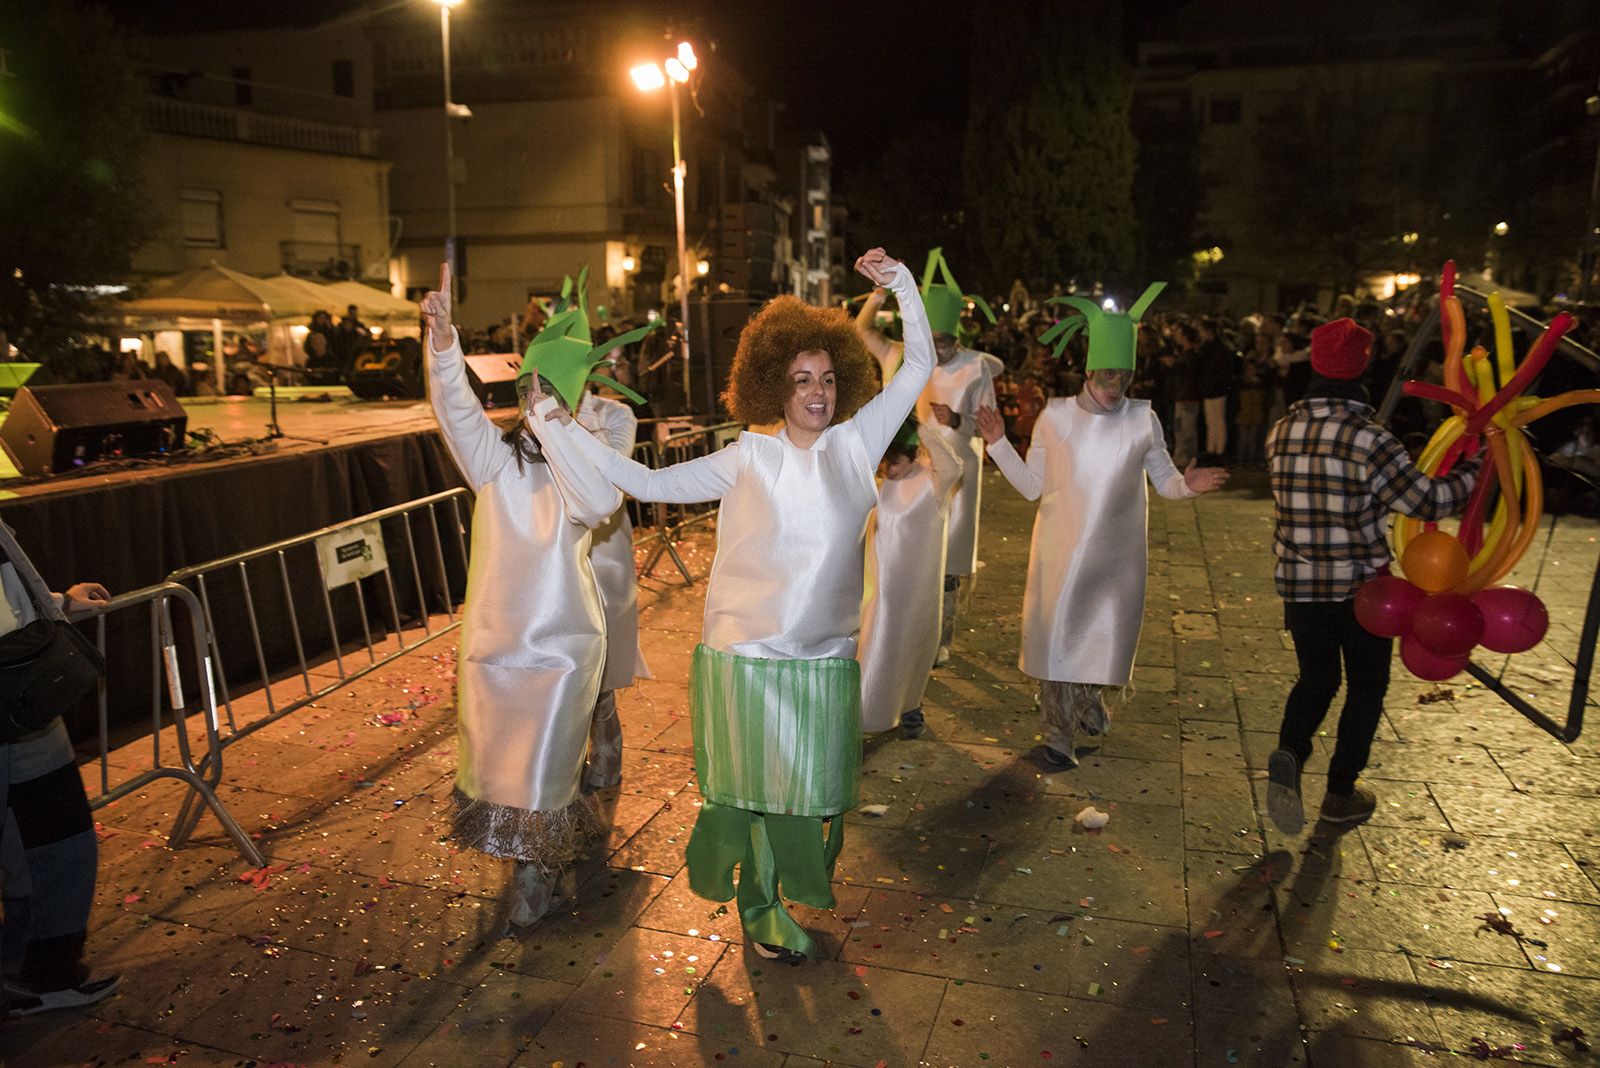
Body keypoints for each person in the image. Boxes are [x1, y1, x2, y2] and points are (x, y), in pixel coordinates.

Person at [547, 249, 929, 962]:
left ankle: (769, 896)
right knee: (759, 797)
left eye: (826, 378)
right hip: (748, 660)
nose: (817, 392)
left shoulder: (857, 443)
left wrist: (900, 285)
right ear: (774, 386)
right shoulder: (749, 457)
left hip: (824, 660)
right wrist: (559, 427)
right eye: (800, 379)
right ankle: (760, 908)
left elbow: (917, 367)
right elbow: (642, 481)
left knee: (812, 798)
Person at [420, 262, 625, 927]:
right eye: (527, 390)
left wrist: (556, 429)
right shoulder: (494, 460)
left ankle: (534, 890)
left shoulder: (584, 465)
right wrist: (444, 343)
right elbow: (456, 410)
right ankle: (534, 875)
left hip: (563, 655)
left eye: (548, 392)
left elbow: (599, 504)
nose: (534, 401)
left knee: (546, 778)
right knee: (505, 777)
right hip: (497, 653)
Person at [979, 286, 1229, 769]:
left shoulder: (1142, 419)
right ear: (1089, 371)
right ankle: (1058, 732)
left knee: (1102, 637)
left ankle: (1088, 700)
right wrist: (997, 443)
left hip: (1117, 559)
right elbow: (1031, 487)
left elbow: (1166, 483)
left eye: (1124, 376)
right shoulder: (1056, 416)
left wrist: (1190, 484)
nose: (1116, 385)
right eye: (1108, 374)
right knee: (1058, 640)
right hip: (1061, 553)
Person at [1264, 318, 1479, 833]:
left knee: (1317, 678)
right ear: (1362, 368)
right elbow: (1425, 500)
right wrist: (1475, 472)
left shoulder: (1280, 432)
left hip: (1300, 583)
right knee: (1366, 685)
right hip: (1363, 590)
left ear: (1315, 364)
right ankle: (1340, 792)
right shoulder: (1370, 438)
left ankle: (1290, 749)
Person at [0, 519, 118, 1015]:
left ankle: (40, 971)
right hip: (15, 702)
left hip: (22, 703)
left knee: (51, 843)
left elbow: (8, 596)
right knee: (54, 843)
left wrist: (59, 603)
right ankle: (39, 973)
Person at [856, 249, 996, 661]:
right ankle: (890, 630)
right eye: (930, 341)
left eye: (944, 343)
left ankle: (939, 640)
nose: (936, 351)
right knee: (895, 554)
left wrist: (959, 420)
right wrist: (880, 292)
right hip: (900, 470)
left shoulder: (975, 368)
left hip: (952, 478)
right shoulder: (897, 354)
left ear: (956, 338)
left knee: (946, 563)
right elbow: (861, 329)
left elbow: (989, 424)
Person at [858, 417, 962, 738]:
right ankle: (864, 712)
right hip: (879, 586)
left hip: (917, 588)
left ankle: (910, 705)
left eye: (896, 462)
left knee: (914, 647)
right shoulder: (877, 483)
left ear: (914, 454)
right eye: (884, 462)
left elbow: (954, 465)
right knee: (876, 645)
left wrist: (918, 427)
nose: (888, 470)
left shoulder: (932, 482)